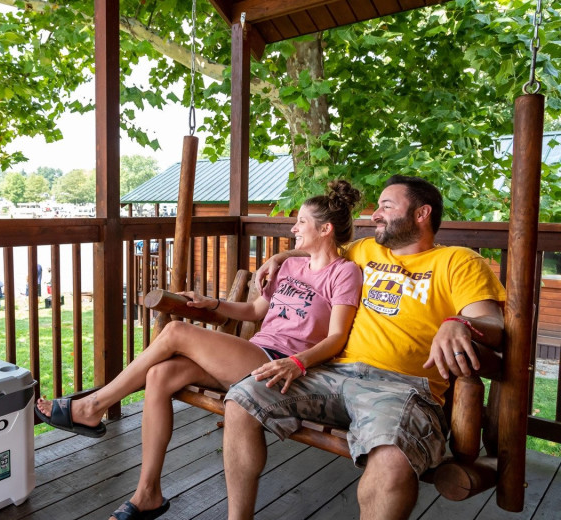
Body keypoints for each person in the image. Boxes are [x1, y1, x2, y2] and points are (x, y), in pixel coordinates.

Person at [36, 180, 364, 520]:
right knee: (160, 374)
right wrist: (215, 303)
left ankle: (94, 405)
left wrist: (298, 362)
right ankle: (147, 493)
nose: (293, 227)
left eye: (302, 223)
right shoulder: (291, 266)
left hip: (283, 367)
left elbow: (337, 337)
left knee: (177, 331)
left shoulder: (344, 274)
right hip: (255, 354)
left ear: (325, 229)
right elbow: (254, 312)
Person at [223, 175, 506, 520]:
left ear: (421, 213)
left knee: (391, 461)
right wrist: (281, 256)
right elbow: (318, 245)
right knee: (242, 399)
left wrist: (457, 322)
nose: (374, 215)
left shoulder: (457, 262)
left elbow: (492, 322)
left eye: (386, 206)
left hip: (401, 388)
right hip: (332, 374)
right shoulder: (363, 251)